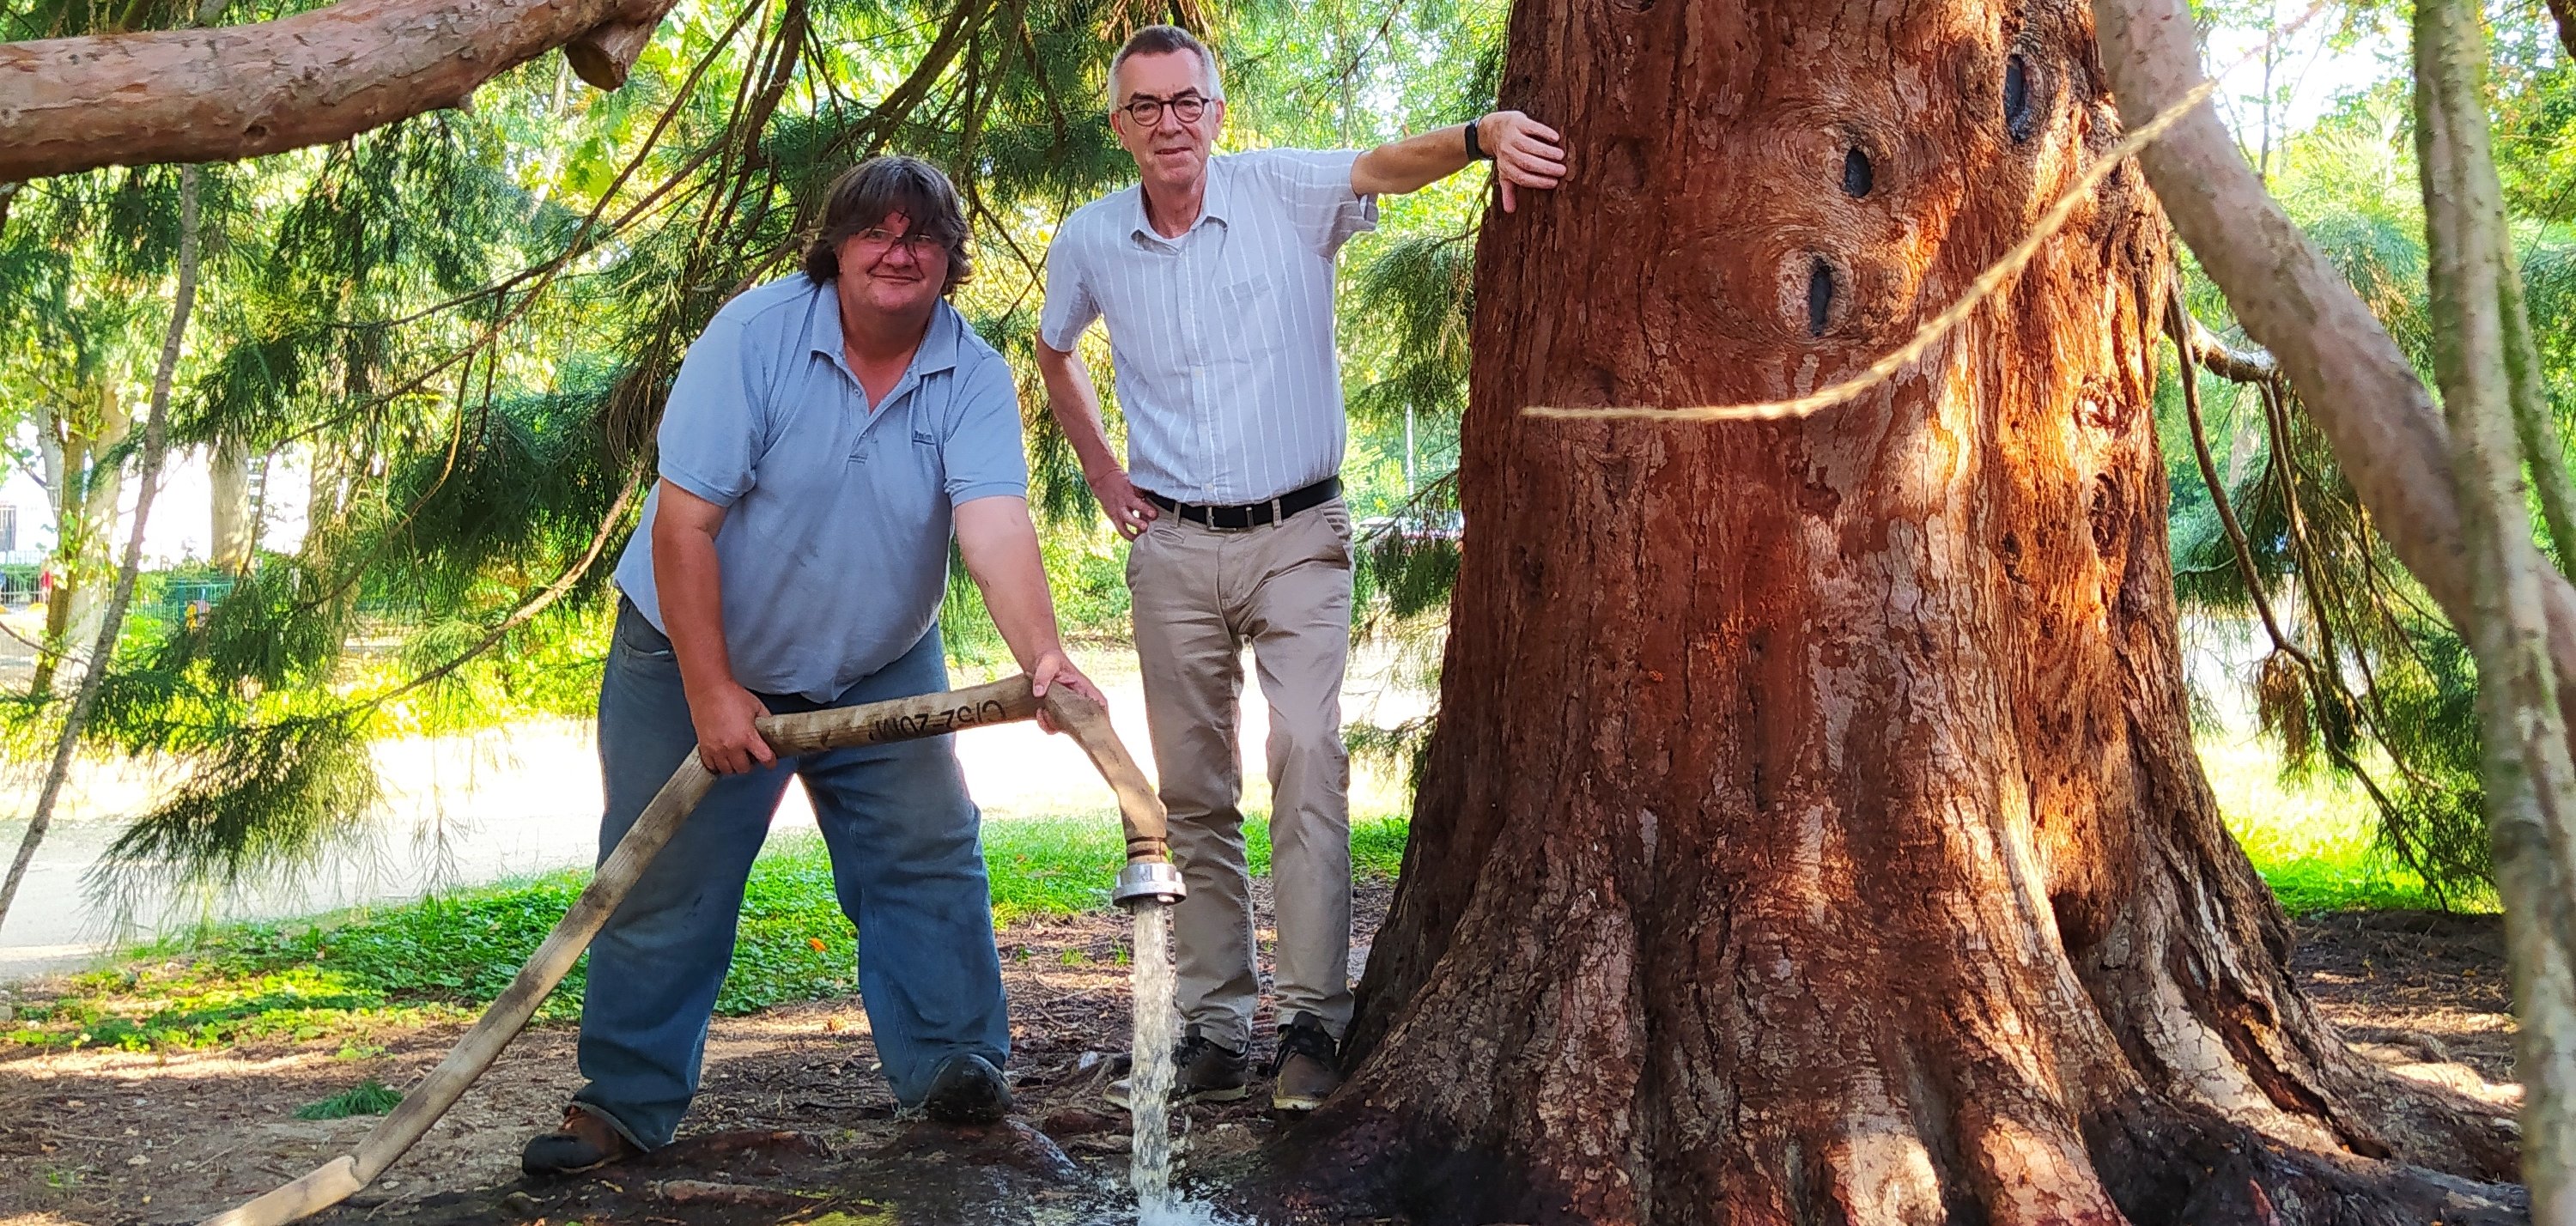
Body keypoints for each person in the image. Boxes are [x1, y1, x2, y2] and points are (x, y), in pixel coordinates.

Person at [522, 155, 1103, 1174]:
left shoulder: (968, 373)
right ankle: (621, 1106)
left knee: (927, 852)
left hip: (876, 660)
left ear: (951, 263)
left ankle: (955, 1072)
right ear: (835, 247)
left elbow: (995, 527)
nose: (898, 251)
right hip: (692, 653)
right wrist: (711, 690)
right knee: (666, 879)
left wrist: (1045, 660)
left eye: (922, 237)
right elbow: (684, 527)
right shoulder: (753, 337)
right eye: (875, 232)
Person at [1037, 25, 1566, 1112]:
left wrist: (1479, 135)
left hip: (1299, 537)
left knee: (1310, 757)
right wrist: (1101, 470)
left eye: (1188, 102)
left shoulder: (1280, 190)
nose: (1170, 123)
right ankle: (1217, 1024)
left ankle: (1315, 1020)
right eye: (1146, 108)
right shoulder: (1091, 239)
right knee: (1190, 792)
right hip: (1172, 546)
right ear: (1118, 127)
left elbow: (1381, 165)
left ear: (1218, 112)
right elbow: (1055, 350)